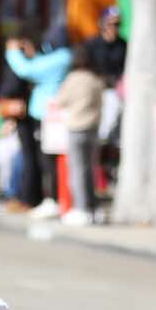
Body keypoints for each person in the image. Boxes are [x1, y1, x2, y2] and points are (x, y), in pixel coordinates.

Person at [5, 27, 72, 214]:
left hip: (50, 117)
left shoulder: (61, 58)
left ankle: (53, 199)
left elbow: (27, 69)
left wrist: (12, 52)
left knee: (48, 159)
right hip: (49, 115)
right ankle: (53, 198)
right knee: (44, 158)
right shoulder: (60, 57)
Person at [55, 49, 107, 225]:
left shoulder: (72, 79)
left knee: (77, 170)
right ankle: (93, 208)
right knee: (91, 169)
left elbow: (61, 100)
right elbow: (101, 102)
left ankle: (81, 208)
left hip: (76, 127)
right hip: (92, 128)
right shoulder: (96, 80)